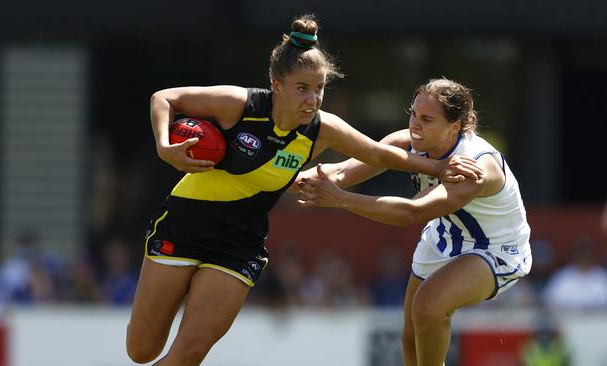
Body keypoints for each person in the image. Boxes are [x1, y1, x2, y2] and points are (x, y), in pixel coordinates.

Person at [125, 15, 483, 366]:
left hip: (238, 243)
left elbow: (377, 153)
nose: (313, 99)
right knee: (141, 350)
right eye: (302, 88)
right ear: (276, 85)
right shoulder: (240, 105)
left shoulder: (321, 128)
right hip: (183, 226)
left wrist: (438, 168)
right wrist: (163, 146)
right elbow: (164, 98)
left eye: (319, 89)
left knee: (188, 354)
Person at [297, 78, 532, 366]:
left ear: (455, 126)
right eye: (414, 114)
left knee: (428, 306)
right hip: (446, 234)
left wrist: (341, 200)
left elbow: (411, 213)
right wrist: (270, 176)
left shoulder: (474, 167)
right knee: (410, 339)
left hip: (496, 249)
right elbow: (341, 173)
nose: (415, 125)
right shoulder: (406, 142)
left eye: (427, 119)